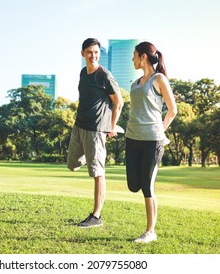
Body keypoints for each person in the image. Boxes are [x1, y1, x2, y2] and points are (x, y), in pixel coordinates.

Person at [67, 38, 123, 228]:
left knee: (98, 173)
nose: (93, 55)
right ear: (82, 53)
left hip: (96, 130)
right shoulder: (83, 73)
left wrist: (112, 126)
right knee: (72, 165)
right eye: (90, 52)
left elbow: (119, 102)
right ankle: (91, 157)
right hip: (79, 126)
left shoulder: (104, 76)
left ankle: (96, 216)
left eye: (96, 52)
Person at [125, 41, 177, 243]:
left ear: (143, 56)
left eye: (134, 55)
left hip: (152, 141)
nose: (132, 59)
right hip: (132, 138)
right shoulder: (135, 82)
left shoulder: (159, 79)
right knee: (133, 185)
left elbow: (173, 110)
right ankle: (149, 230)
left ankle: (150, 232)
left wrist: (160, 132)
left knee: (147, 186)